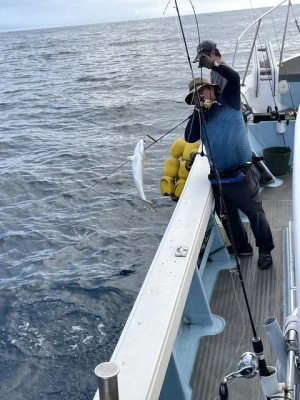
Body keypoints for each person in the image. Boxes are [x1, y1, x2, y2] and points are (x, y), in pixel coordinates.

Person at [184, 54, 274, 269]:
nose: (199, 97)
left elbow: (233, 77)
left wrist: (214, 63)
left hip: (242, 173)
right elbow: (188, 138)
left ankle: (265, 250)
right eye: (194, 96)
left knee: (254, 212)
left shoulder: (230, 100)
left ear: (213, 89)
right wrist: (198, 111)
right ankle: (242, 247)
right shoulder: (200, 117)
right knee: (227, 216)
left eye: (201, 92)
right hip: (219, 177)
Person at [193, 40, 275, 186]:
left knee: (240, 146)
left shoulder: (222, 68)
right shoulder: (214, 72)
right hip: (228, 111)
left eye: (204, 58)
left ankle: (261, 174)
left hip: (235, 113)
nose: (204, 64)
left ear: (213, 53)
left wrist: (214, 65)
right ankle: (263, 174)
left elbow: (234, 78)